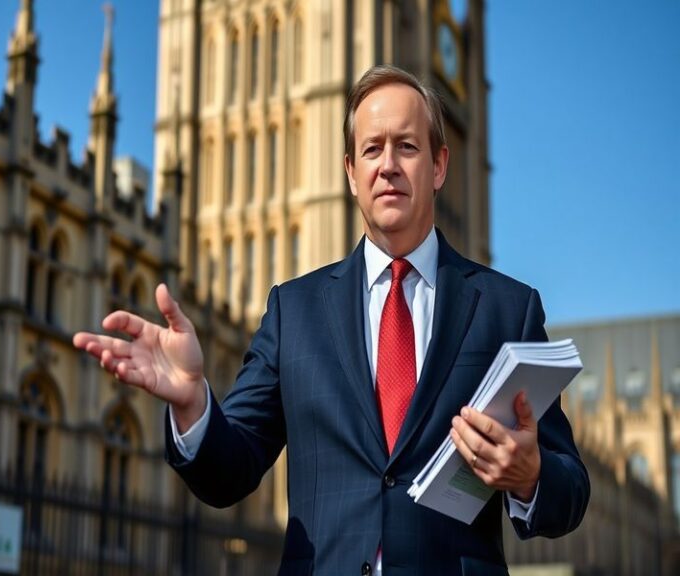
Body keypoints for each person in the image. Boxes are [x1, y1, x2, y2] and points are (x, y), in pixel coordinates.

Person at [74, 64, 589, 576]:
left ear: (438, 166)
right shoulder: (292, 311)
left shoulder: (507, 308)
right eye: (372, 149)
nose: (388, 165)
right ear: (350, 172)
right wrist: (192, 404)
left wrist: (531, 476)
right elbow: (229, 473)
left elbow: (571, 487)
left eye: (407, 147)